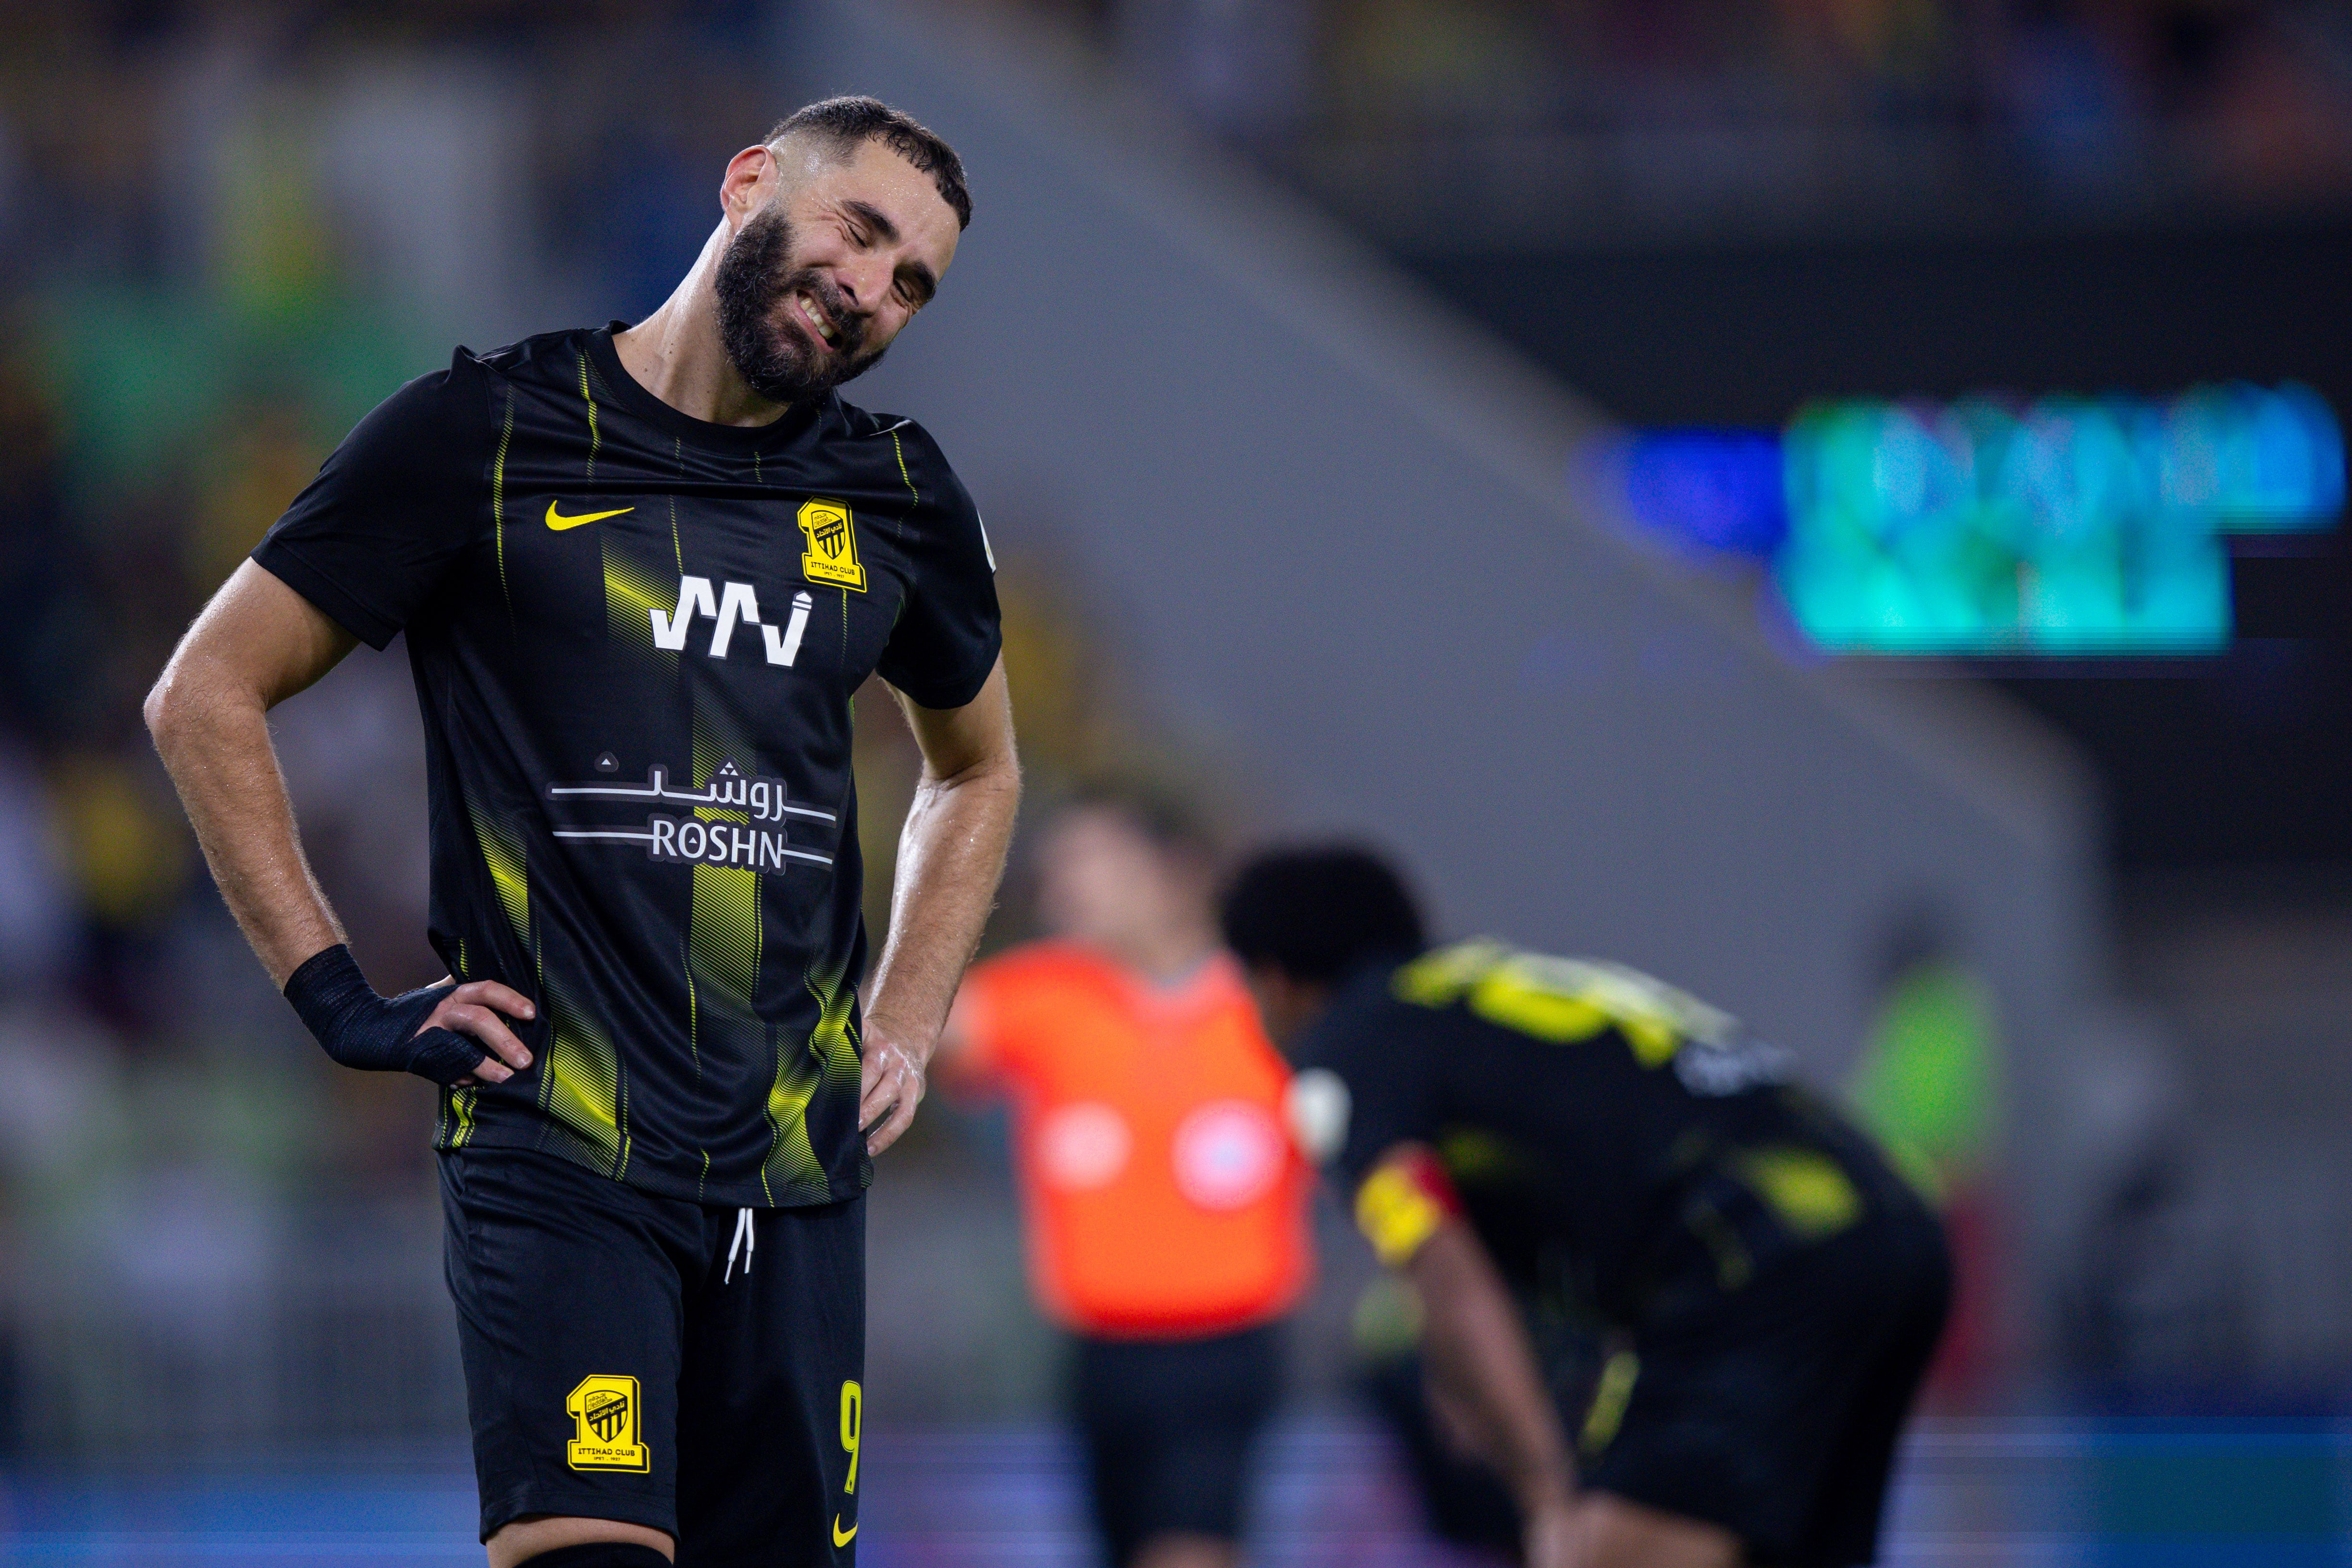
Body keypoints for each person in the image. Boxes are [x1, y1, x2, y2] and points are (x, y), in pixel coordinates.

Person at [144, 98, 1021, 1568]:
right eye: (860, 233)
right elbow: (205, 693)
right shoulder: (481, 432)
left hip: (800, 1181)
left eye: (913, 281)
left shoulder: (900, 496)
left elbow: (979, 770)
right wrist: (336, 995)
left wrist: (911, 1017)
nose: (873, 290)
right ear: (751, 183)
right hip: (560, 1143)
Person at [1221, 846, 1949, 1568]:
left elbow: (1443, 1272)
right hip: (1893, 1225)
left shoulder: (1343, 1051)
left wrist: (1544, 1499)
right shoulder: (1480, 996)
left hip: (1753, 1247)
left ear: (1277, 981)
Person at [937, 790, 1312, 1568]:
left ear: (1178, 871)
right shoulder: (1044, 994)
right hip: (1096, 1352)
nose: (1066, 888)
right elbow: (896, 1027)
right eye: (1059, 870)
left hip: (1222, 1345)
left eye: (1094, 863)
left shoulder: (1274, 1002)